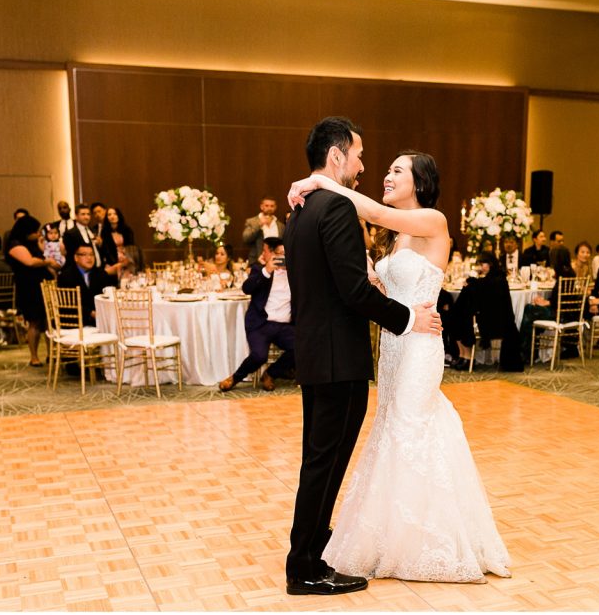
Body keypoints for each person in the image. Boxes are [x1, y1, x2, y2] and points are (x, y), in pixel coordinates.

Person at [285, 117, 504, 590]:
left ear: (419, 182)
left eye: (396, 171)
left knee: (408, 429)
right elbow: (371, 278)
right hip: (394, 342)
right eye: (375, 164)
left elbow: (375, 213)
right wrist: (383, 288)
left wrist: (317, 180)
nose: (381, 173)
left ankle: (423, 541)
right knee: (387, 433)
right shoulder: (395, 236)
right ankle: (385, 537)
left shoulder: (432, 220)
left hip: (419, 342)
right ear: (340, 154)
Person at [219, 237, 295, 392]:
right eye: (278, 254)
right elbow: (246, 288)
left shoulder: (296, 273)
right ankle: (235, 377)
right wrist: (267, 271)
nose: (282, 258)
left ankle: (270, 374)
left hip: (285, 325)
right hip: (260, 324)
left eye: (284, 254)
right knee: (260, 356)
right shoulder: (259, 269)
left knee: (303, 348)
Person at [449, 251, 518, 371]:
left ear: (491, 264)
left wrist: (471, 282)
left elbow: (486, 288)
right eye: (481, 264)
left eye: (484, 264)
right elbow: (483, 287)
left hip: (496, 320)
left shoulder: (498, 278)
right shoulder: (490, 279)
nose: (482, 267)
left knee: (462, 312)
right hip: (487, 315)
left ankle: (467, 357)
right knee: (460, 312)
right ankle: (462, 354)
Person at [6, 215, 59, 367]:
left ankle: (51, 353)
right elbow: (29, 262)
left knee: (49, 321)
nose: (38, 234)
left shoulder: (33, 243)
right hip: (29, 286)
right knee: (35, 322)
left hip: (43, 283)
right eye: (35, 231)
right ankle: (34, 356)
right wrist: (48, 262)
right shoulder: (14, 245)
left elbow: (41, 256)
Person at [56, 244, 109, 326]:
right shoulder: (66, 276)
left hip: (99, 321)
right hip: (73, 322)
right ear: (76, 258)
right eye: (84, 254)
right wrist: (90, 313)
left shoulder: (101, 274)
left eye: (91, 254)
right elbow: (68, 304)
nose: (89, 258)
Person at [243, 196, 284, 265]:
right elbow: (246, 238)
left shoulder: (281, 225)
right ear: (261, 206)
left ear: (275, 207)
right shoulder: (251, 222)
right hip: (256, 262)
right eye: (266, 206)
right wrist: (259, 224)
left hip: (277, 262)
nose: (269, 208)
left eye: (272, 206)